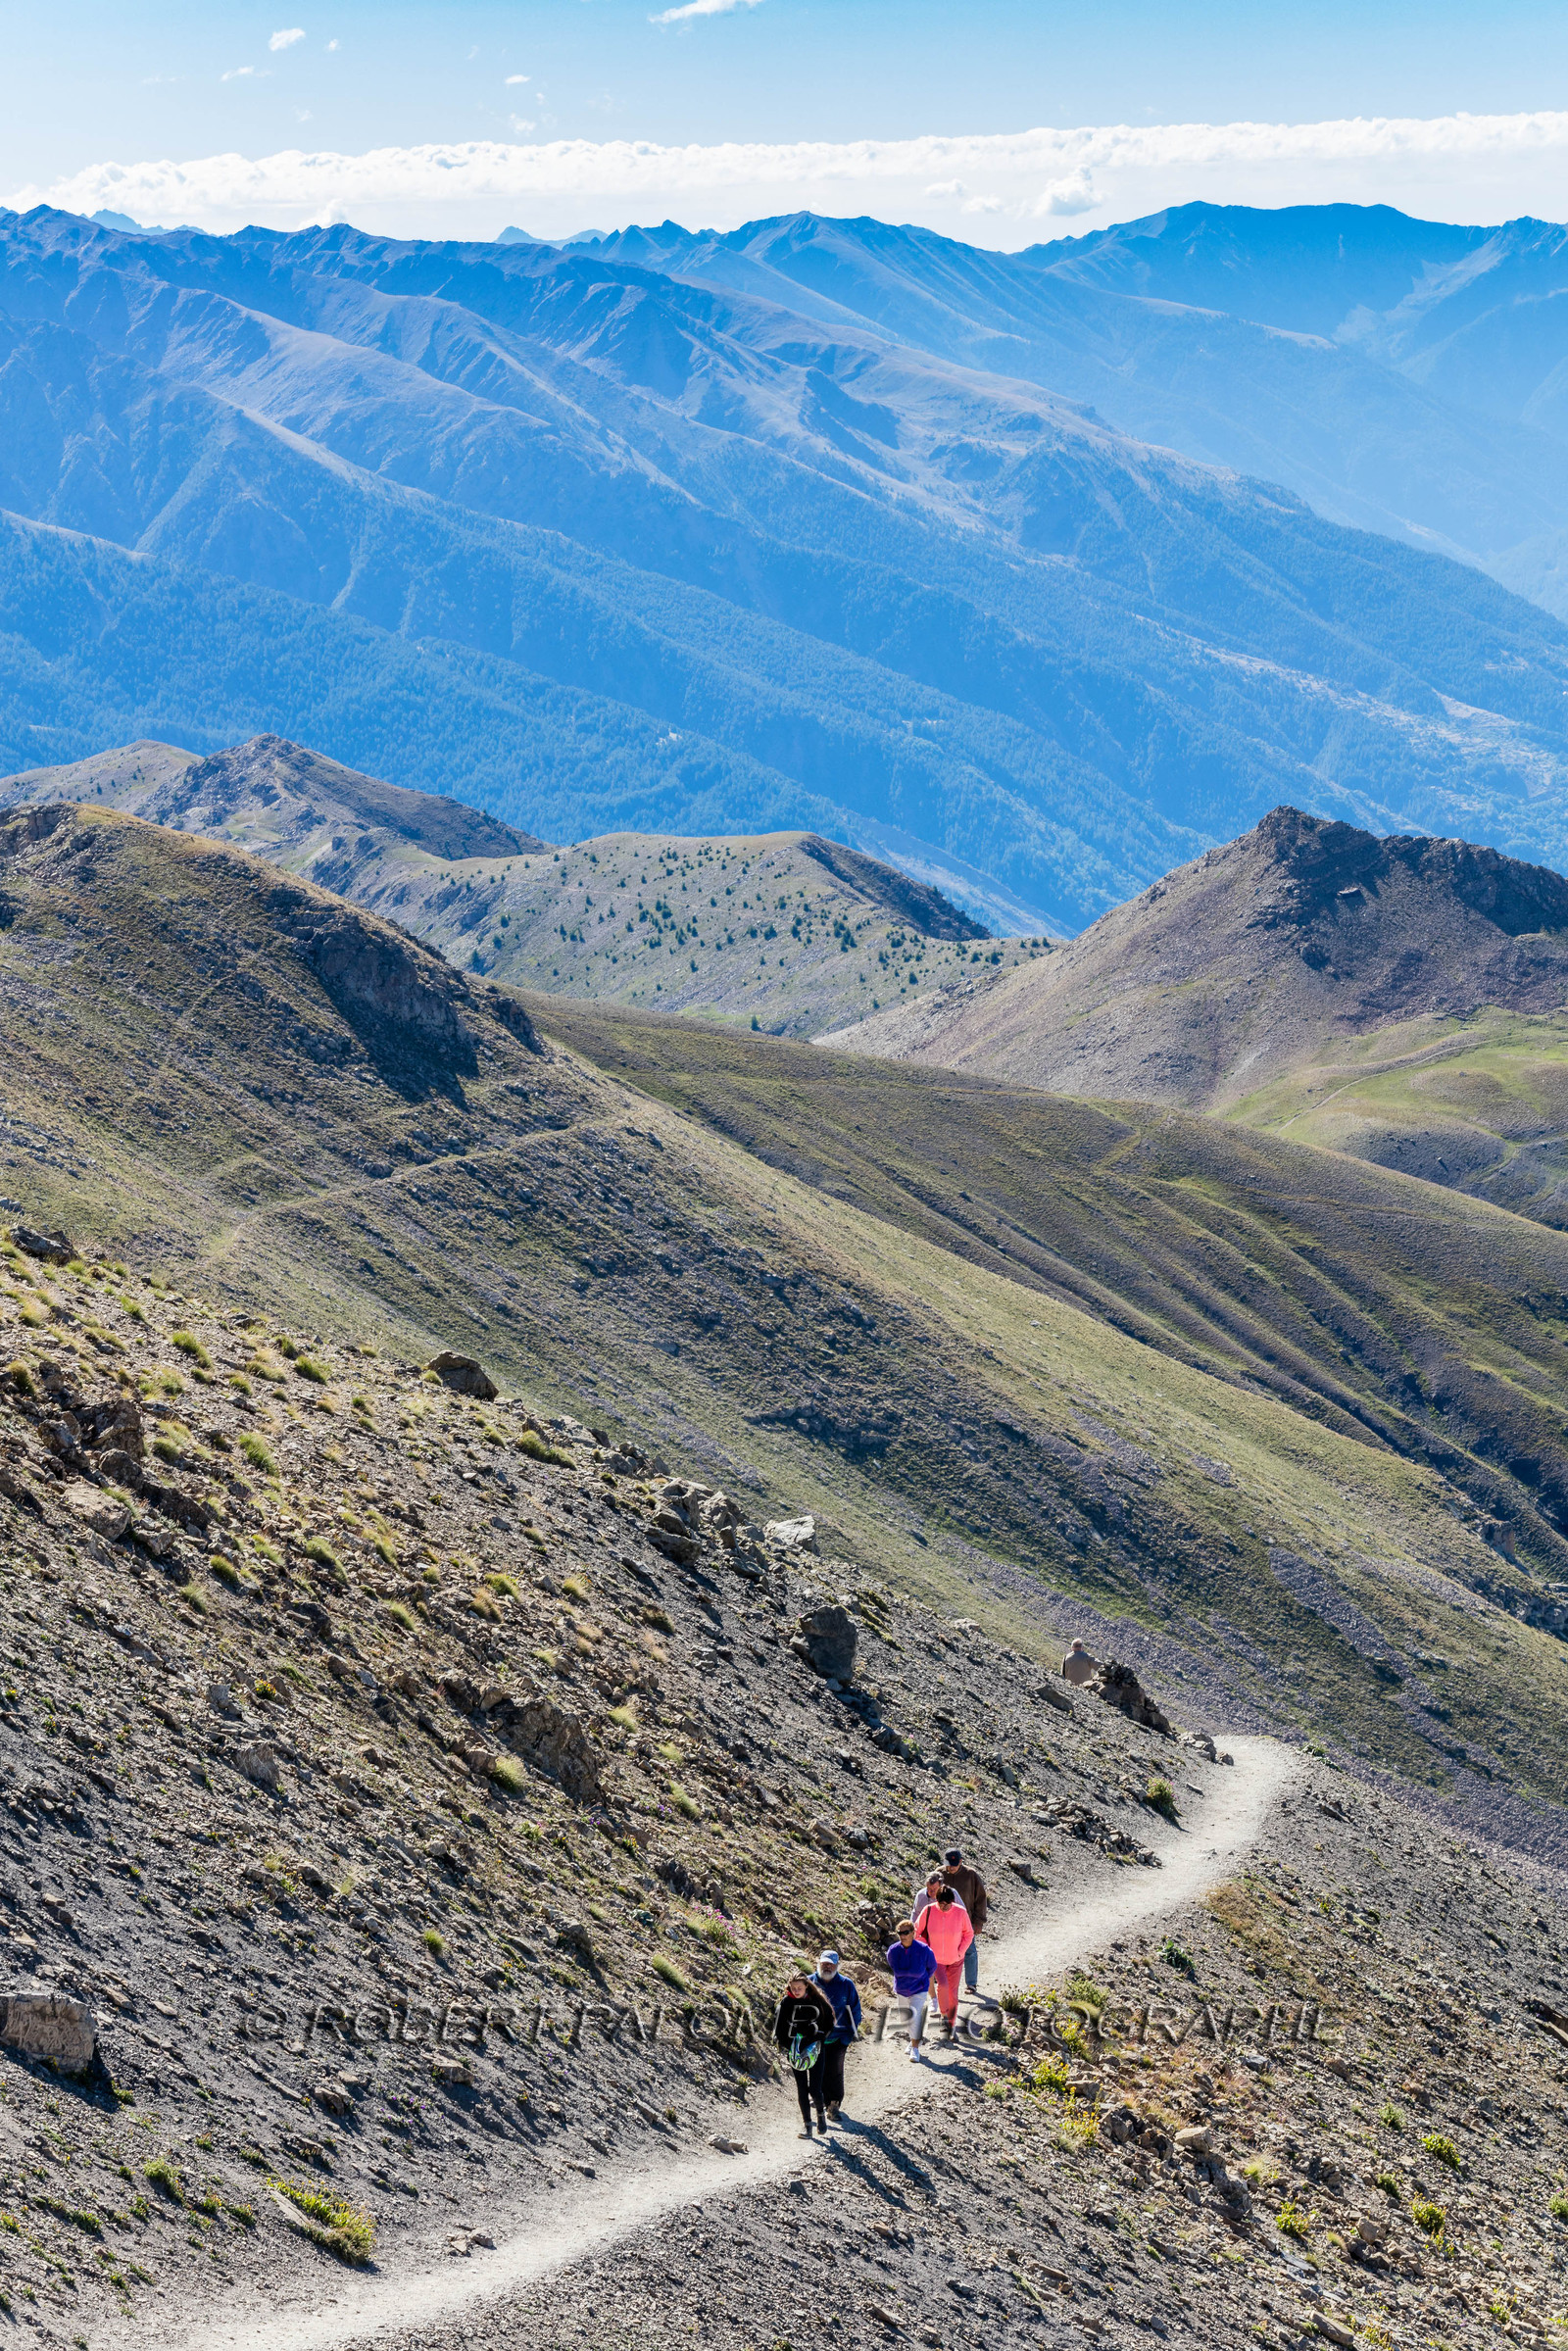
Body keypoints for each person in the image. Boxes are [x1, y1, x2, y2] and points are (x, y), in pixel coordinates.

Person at [774, 1969, 836, 2137]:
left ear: (806, 1986)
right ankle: (807, 2126)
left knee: (815, 2089)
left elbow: (830, 2022)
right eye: (793, 1988)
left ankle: (821, 2116)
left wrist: (820, 2037)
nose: (796, 1991)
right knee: (801, 2088)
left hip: (816, 2049)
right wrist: (791, 2044)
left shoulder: (817, 2001)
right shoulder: (786, 2004)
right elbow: (779, 2030)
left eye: (799, 1988)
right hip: (796, 2051)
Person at [809, 1949, 863, 2123]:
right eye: (824, 1963)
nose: (827, 1967)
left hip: (838, 2037)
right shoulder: (809, 1982)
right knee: (817, 2071)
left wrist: (848, 2035)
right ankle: (820, 2100)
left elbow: (855, 2010)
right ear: (818, 1963)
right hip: (815, 2037)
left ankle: (834, 2105)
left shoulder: (846, 1984)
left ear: (837, 1965)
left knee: (835, 2071)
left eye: (830, 1964)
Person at [918, 1885, 973, 2033]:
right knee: (942, 1986)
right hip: (936, 1960)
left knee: (953, 1992)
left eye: (948, 1904)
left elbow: (969, 1934)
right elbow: (917, 1932)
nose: (945, 1907)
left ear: (952, 1902)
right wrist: (927, 1947)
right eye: (941, 1904)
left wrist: (960, 1953)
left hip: (956, 1959)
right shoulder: (928, 1911)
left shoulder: (961, 1912)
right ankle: (944, 2016)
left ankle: (951, 2022)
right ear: (937, 1901)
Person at [886, 1919, 938, 2062]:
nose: (903, 1935)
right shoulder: (893, 1951)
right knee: (905, 2019)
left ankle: (915, 2048)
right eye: (900, 1933)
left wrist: (922, 1979)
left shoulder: (924, 1950)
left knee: (914, 2016)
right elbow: (892, 1965)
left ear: (913, 1933)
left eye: (906, 1932)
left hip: (919, 1988)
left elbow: (932, 1967)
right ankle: (913, 2040)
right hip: (902, 1989)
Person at [942, 1847, 989, 1996]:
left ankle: (971, 1983)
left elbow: (981, 1898)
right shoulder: (940, 1874)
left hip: (965, 1922)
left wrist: (979, 1922)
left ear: (961, 1861)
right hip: (943, 1922)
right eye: (949, 1864)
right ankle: (943, 1981)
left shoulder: (971, 1875)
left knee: (969, 1951)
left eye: (954, 1864)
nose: (951, 1867)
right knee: (943, 1951)